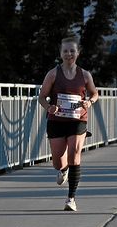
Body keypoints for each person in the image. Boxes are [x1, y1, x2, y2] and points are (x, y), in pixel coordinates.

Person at [38, 36, 99, 211]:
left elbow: (94, 93)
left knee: (75, 154)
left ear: (78, 53)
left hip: (78, 120)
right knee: (58, 161)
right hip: (57, 121)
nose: (69, 54)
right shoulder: (53, 73)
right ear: (60, 53)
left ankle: (71, 198)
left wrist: (89, 102)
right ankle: (63, 169)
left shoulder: (85, 74)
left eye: (72, 50)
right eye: (65, 50)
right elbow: (41, 97)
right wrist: (49, 107)